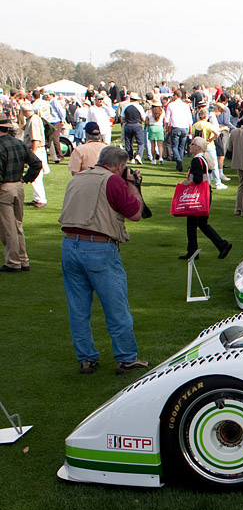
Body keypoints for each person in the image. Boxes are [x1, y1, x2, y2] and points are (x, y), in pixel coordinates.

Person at [58, 146, 148, 374]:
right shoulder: (113, 181)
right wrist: (133, 185)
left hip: (69, 244)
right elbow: (136, 213)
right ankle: (126, 358)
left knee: (78, 309)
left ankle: (86, 358)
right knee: (116, 307)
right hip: (98, 247)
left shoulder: (79, 178)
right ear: (120, 165)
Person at [0, 115, 42, 272]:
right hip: (18, 186)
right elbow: (37, 163)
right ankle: (23, 259)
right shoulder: (18, 143)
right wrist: (25, 179)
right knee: (17, 225)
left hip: (5, 188)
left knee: (7, 228)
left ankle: (12, 261)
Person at [179, 137, 231, 261]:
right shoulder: (204, 159)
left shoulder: (197, 160)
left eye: (192, 144)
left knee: (192, 225)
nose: (190, 146)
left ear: (198, 147)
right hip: (206, 194)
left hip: (198, 196)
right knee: (202, 223)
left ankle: (193, 252)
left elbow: (197, 179)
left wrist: (187, 181)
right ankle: (221, 244)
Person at [20, 104, 50, 207]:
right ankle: (37, 198)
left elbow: (36, 139)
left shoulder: (34, 120)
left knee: (36, 176)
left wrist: (32, 154)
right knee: (35, 176)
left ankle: (41, 199)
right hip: (36, 150)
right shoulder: (32, 119)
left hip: (36, 150)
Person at [165, 89, 193, 171]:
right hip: (185, 127)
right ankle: (179, 163)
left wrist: (167, 127)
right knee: (182, 146)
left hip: (176, 127)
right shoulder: (185, 105)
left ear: (176, 96)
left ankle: (179, 160)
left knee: (174, 146)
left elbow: (167, 118)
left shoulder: (171, 105)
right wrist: (190, 129)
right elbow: (189, 118)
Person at [121, 93, 146, 164]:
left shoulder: (125, 106)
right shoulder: (139, 107)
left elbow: (122, 118)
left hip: (128, 124)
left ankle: (131, 158)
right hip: (137, 125)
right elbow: (143, 118)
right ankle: (139, 155)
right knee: (140, 142)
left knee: (128, 142)